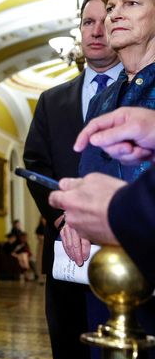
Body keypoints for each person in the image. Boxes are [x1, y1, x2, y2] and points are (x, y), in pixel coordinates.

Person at [59, 0, 155, 359]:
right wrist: (74, 217)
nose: (114, 15)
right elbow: (90, 173)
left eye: (131, 4)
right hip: (103, 274)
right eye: (111, 6)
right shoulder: (102, 96)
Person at [22, 0, 121, 359]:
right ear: (78, 32)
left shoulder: (140, 88)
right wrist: (63, 215)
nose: (95, 31)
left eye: (104, 21)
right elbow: (35, 165)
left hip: (125, 249)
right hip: (66, 254)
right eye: (87, 23)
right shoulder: (51, 100)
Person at [49, 106, 155, 283]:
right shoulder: (101, 100)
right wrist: (77, 216)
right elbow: (89, 172)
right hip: (97, 266)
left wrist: (117, 210)